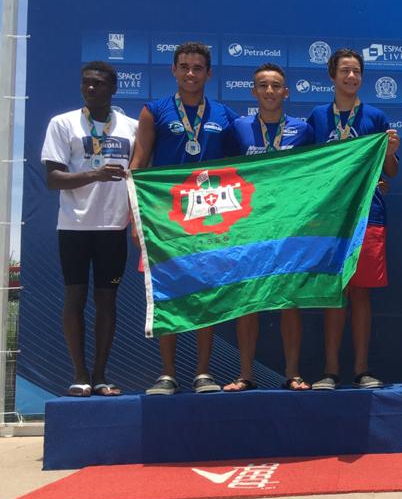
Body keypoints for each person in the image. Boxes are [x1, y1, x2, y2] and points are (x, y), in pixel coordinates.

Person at [130, 41, 238, 395]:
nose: (190, 74)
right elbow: (137, 168)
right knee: (168, 294)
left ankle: (203, 373)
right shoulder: (154, 111)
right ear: (174, 70)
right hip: (164, 218)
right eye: (184, 67)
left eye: (197, 68)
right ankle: (168, 373)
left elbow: (239, 171)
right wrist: (136, 219)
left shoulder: (224, 115)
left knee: (205, 295)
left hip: (210, 218)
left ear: (208, 73)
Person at [41, 62, 137, 396]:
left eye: (98, 83)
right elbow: (53, 179)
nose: (90, 88)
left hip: (113, 227)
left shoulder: (131, 127)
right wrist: (93, 175)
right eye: (86, 83)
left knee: (107, 301)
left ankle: (100, 375)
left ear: (113, 87)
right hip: (74, 227)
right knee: (75, 298)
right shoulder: (63, 123)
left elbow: (142, 178)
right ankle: (79, 375)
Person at [306, 48, 400, 388]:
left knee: (361, 294)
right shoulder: (317, 117)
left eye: (356, 71)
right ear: (332, 76)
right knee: (334, 291)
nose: (351, 77)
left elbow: (390, 170)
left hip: (368, 215)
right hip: (330, 219)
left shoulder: (374, 117)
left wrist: (390, 153)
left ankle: (361, 369)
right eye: (345, 70)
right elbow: (306, 166)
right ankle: (330, 370)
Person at [223, 63, 315, 393]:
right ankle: (245, 374)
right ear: (254, 92)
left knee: (289, 302)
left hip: (289, 228)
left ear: (286, 92)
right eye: (263, 86)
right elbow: (225, 174)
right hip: (249, 227)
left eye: (276, 86)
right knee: (247, 300)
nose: (270, 91)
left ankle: (293, 373)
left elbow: (316, 172)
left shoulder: (303, 129)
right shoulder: (238, 128)